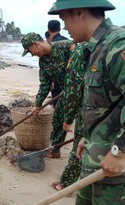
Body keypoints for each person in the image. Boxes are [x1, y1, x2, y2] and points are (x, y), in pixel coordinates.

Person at [48, 0, 125, 204]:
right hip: (95, 160)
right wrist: (89, 136)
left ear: (79, 12)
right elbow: (105, 105)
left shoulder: (119, 45)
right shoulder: (95, 48)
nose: (64, 26)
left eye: (64, 18)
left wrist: (120, 151)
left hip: (115, 172)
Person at [21, 32, 74, 159]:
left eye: (30, 51)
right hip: (65, 93)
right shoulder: (43, 62)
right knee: (57, 120)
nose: (32, 54)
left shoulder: (66, 46)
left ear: (35, 44)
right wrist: (37, 104)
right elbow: (45, 84)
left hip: (82, 91)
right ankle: (55, 150)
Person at [51, 43, 87, 191]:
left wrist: (68, 119)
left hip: (89, 109)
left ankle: (66, 184)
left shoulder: (80, 51)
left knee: (79, 146)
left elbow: (74, 88)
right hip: (114, 111)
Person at [47, 20, 67, 108]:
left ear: (48, 30)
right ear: (59, 28)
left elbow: (51, 66)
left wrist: (51, 81)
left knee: (57, 106)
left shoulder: (51, 45)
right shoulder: (68, 42)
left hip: (56, 82)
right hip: (70, 80)